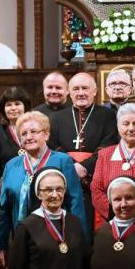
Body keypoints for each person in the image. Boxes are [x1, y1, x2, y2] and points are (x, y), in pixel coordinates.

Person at [0, 111, 87, 269]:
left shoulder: (62, 161)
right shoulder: (12, 165)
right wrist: (0, 245)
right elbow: (4, 209)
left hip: (55, 242)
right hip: (22, 242)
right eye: (24, 133)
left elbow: (75, 203)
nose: (29, 137)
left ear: (46, 134)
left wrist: (79, 241)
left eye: (34, 131)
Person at [48, 72, 118, 224]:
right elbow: (52, 145)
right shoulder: (58, 118)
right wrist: (72, 166)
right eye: (76, 89)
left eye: (85, 88)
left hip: (96, 178)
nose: (80, 93)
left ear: (94, 91)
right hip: (66, 178)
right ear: (69, 92)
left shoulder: (108, 115)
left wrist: (85, 167)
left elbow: (109, 144)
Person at [0, 86, 33, 171]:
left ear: (25, 106)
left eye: (17, 104)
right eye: (8, 105)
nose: (13, 108)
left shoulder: (35, 129)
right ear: (3, 109)